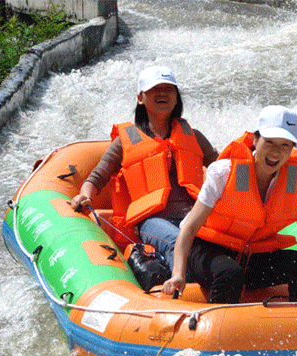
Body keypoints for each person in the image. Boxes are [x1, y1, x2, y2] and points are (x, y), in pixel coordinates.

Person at [161, 105, 297, 304]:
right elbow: (189, 227)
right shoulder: (223, 172)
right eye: (269, 142)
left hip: (252, 257)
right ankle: (222, 329)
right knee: (230, 273)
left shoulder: (296, 179)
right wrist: (178, 273)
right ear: (255, 140)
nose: (275, 152)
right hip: (208, 252)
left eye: (285, 145)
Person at [70, 66, 219, 275]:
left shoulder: (194, 137)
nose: (162, 93)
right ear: (141, 98)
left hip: (193, 216)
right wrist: (84, 195)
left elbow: (222, 172)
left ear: (176, 98)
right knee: (176, 241)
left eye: (169, 89)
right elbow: (96, 177)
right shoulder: (126, 141)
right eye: (155, 89)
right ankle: (181, 283)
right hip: (152, 220)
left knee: (220, 243)